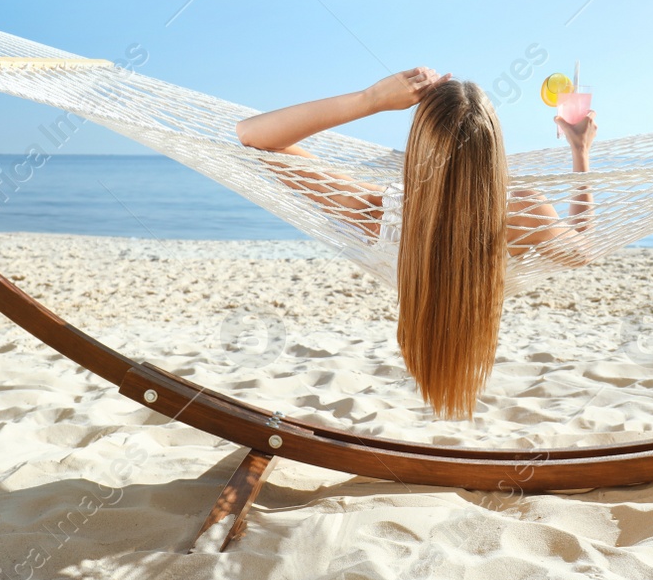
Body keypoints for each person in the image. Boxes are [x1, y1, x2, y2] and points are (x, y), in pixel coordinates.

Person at [235, 67, 596, 419]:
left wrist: (371, 99)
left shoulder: (377, 212)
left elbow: (253, 134)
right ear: (493, 147)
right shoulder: (524, 213)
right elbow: (582, 248)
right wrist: (580, 152)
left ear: (420, 145)